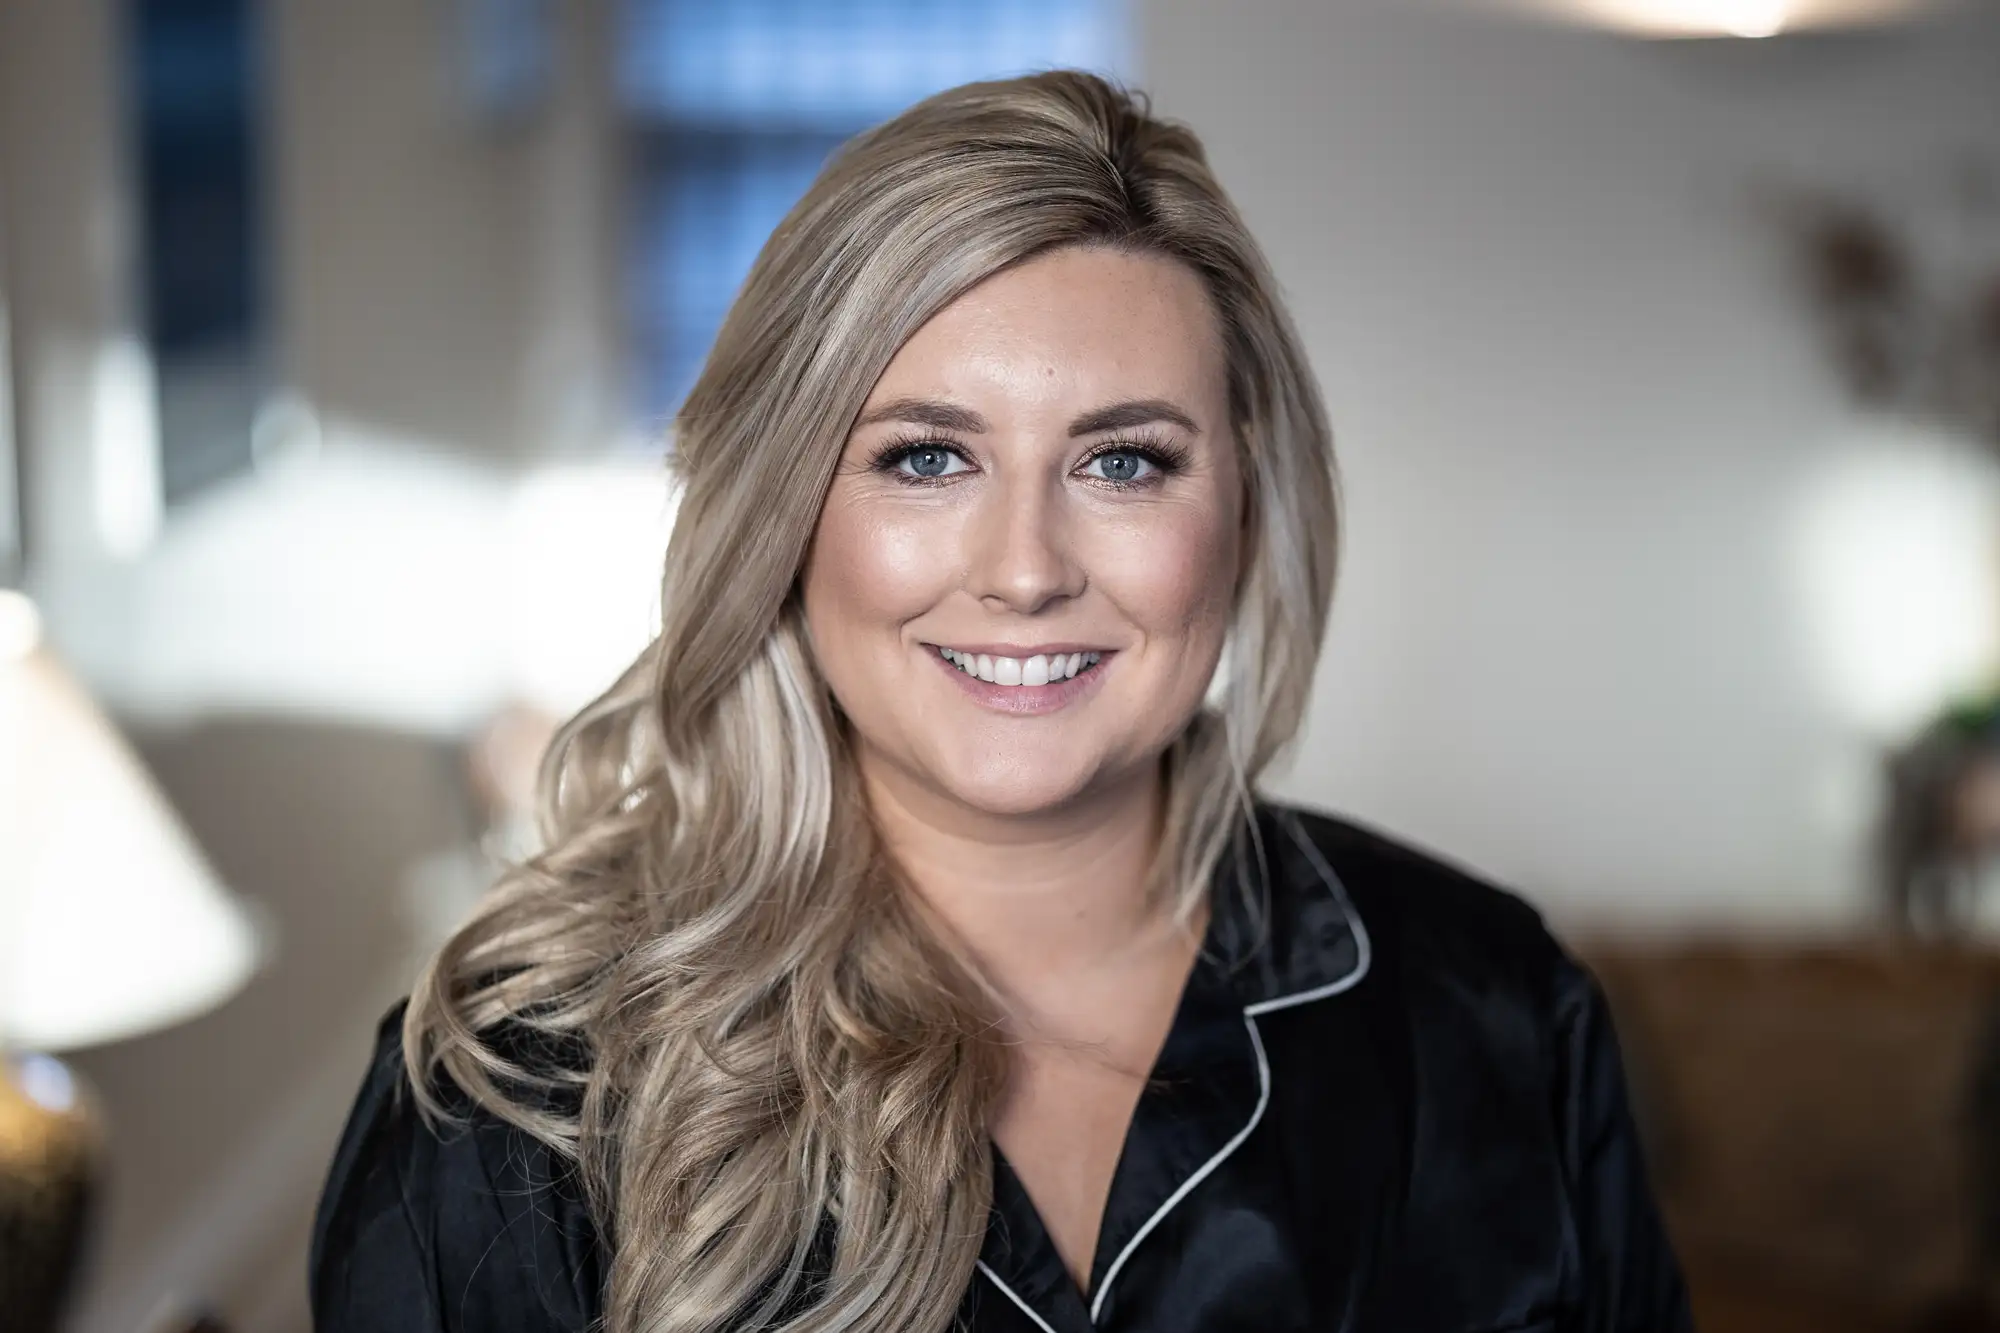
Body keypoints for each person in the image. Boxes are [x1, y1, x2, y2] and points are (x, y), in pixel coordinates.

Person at [310, 71, 1691, 1333]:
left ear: (1246, 501)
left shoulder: (1495, 1009)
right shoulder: (515, 1099)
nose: (1025, 571)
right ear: (785, 507)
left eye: (1126, 464)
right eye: (923, 459)